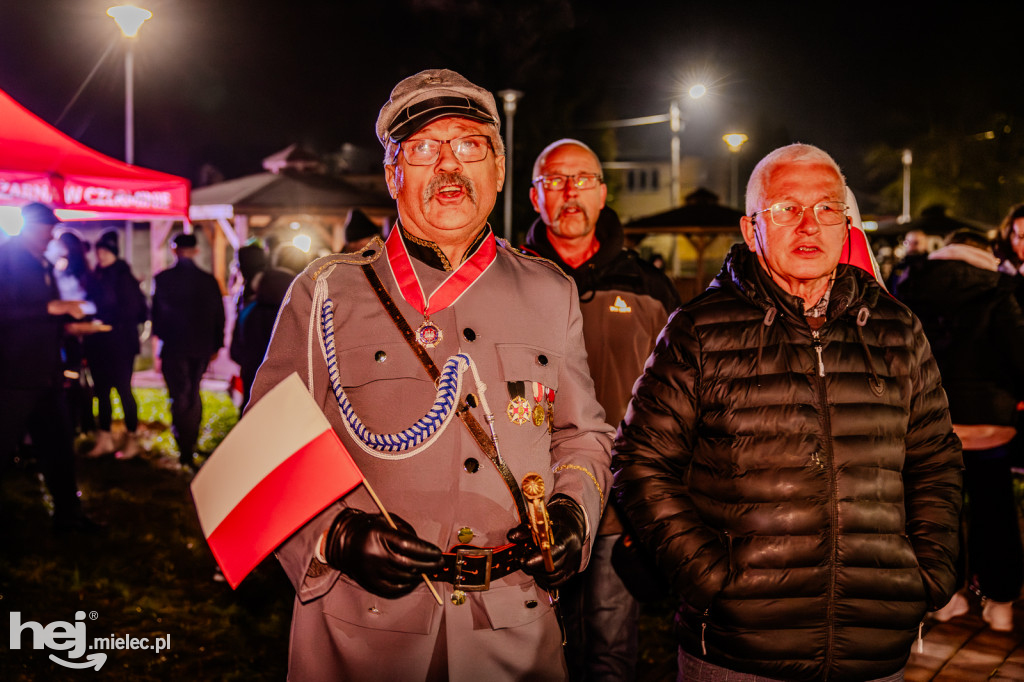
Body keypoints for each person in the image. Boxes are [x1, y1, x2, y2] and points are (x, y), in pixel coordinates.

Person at [247, 68, 613, 681]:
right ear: (393, 174)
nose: (449, 166)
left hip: (512, 630)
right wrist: (334, 534)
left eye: (470, 145)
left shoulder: (551, 292)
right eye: (422, 149)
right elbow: (264, 448)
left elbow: (583, 435)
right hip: (361, 635)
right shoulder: (326, 292)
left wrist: (574, 512)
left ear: (498, 169)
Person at [612, 143, 963, 681]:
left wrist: (929, 572)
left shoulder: (896, 328)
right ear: (752, 229)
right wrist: (708, 579)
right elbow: (640, 461)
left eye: (826, 207)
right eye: (786, 208)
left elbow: (935, 459)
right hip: (737, 648)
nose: (809, 225)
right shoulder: (700, 329)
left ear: (846, 225)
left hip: (873, 644)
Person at [523, 138, 680, 681]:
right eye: (556, 181)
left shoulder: (648, 286)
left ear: (604, 192)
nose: (570, 193)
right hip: (532, 503)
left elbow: (678, 399)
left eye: (583, 179)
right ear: (534, 196)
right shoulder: (505, 280)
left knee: (612, 649)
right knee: (541, 647)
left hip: (617, 503)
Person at [895, 229, 1024, 632]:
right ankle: (1000, 603)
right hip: (989, 424)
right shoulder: (1001, 288)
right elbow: (1020, 355)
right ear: (985, 252)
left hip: (931, 423)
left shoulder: (911, 284)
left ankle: (945, 598)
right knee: (995, 510)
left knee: (937, 512)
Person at [0, 203, 102, 534]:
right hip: (13, 375)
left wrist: (71, 328)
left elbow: (48, 317)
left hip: (47, 372)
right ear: (30, 227)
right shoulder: (6, 259)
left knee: (60, 447)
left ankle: (69, 517)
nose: (51, 236)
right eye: (47, 229)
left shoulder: (42, 263)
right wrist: (49, 307)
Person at [151, 232, 225, 471]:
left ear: (174, 250)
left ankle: (184, 445)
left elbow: (157, 317)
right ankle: (189, 444)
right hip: (200, 346)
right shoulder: (208, 280)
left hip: (174, 346)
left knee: (179, 393)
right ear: (196, 250)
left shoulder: (163, 279)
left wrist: (163, 336)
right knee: (192, 392)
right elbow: (218, 316)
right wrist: (216, 343)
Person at [84, 230, 148, 459]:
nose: (100, 256)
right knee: (101, 392)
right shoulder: (95, 276)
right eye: (98, 251)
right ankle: (105, 437)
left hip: (120, 343)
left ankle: (131, 438)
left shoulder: (123, 277)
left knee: (123, 390)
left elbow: (134, 310)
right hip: (98, 343)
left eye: (104, 251)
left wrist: (108, 321)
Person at [229, 243, 311, 411]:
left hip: (252, 372)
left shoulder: (251, 308)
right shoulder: (303, 307)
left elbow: (237, 347)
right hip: (290, 379)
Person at [46, 229, 97, 437]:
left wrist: (72, 311)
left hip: (75, 335)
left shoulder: (80, 274)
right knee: (68, 378)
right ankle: (74, 422)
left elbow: (91, 305)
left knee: (75, 378)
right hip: (60, 333)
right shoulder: (56, 270)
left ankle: (79, 422)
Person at [887, 228, 929, 295]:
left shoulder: (929, 266)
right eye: (907, 242)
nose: (911, 246)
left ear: (925, 244)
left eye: (916, 243)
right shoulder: (900, 265)